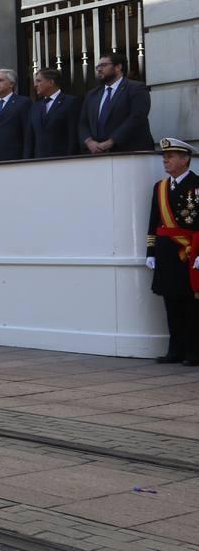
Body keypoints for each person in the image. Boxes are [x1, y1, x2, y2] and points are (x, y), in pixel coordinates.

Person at [146, 138, 199, 364]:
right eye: (164, 157)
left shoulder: (197, 185)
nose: (165, 160)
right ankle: (174, 350)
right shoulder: (160, 187)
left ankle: (193, 352)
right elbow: (153, 221)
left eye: (171, 156)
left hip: (189, 253)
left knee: (191, 304)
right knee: (171, 303)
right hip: (166, 253)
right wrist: (150, 252)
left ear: (185, 159)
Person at [81, 51, 153, 155]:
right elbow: (83, 122)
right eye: (98, 67)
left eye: (104, 65)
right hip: (97, 155)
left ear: (118, 67)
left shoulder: (136, 88)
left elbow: (137, 117)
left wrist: (111, 142)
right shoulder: (92, 95)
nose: (99, 69)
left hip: (130, 152)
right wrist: (89, 142)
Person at [27, 68, 81, 159]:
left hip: (61, 160)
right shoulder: (35, 107)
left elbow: (73, 135)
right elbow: (30, 138)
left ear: (51, 82)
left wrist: (70, 159)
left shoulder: (70, 102)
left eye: (39, 81)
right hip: (38, 161)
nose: (35, 85)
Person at [0, 68, 32, 162]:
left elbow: (27, 133)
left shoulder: (23, 103)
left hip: (13, 159)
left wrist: (26, 159)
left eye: (1, 80)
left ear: (11, 84)